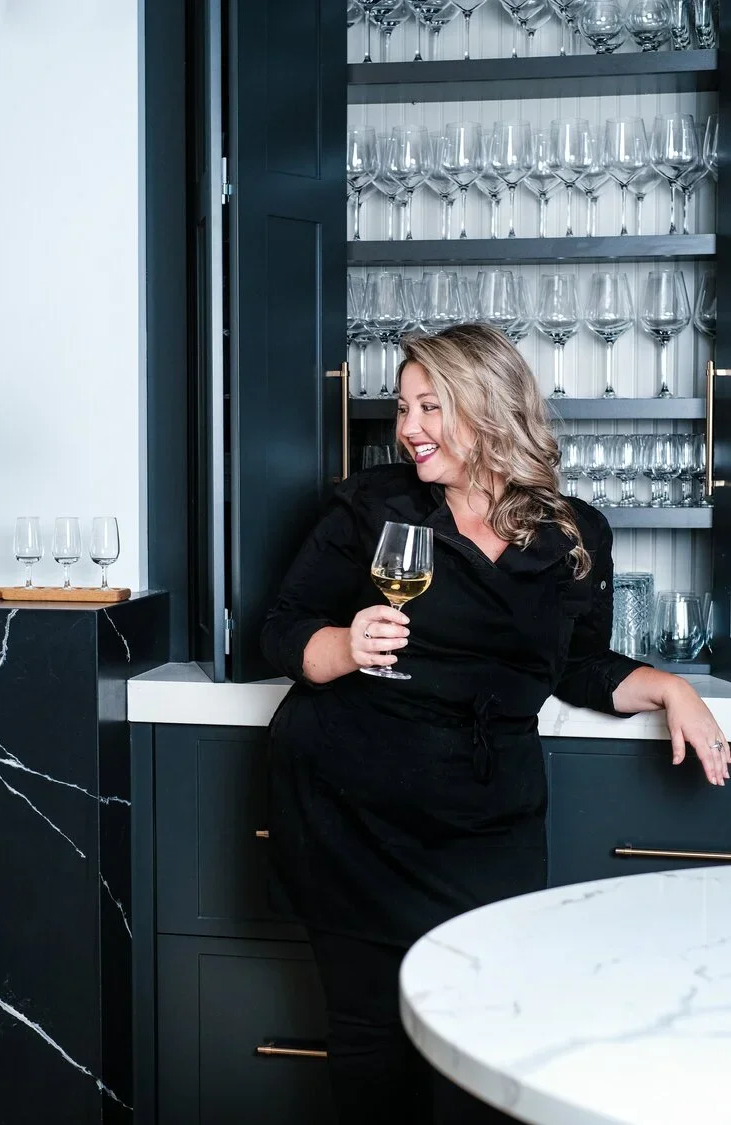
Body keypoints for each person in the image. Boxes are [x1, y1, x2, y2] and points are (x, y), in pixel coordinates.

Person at [260, 323, 729, 1125]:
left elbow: (578, 663)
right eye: (405, 407)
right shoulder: (373, 506)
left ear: (489, 407)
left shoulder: (573, 533)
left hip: (487, 821)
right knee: (371, 1038)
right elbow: (281, 628)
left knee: (488, 1035)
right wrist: (343, 642)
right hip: (350, 812)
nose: (408, 427)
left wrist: (666, 688)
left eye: (430, 406)